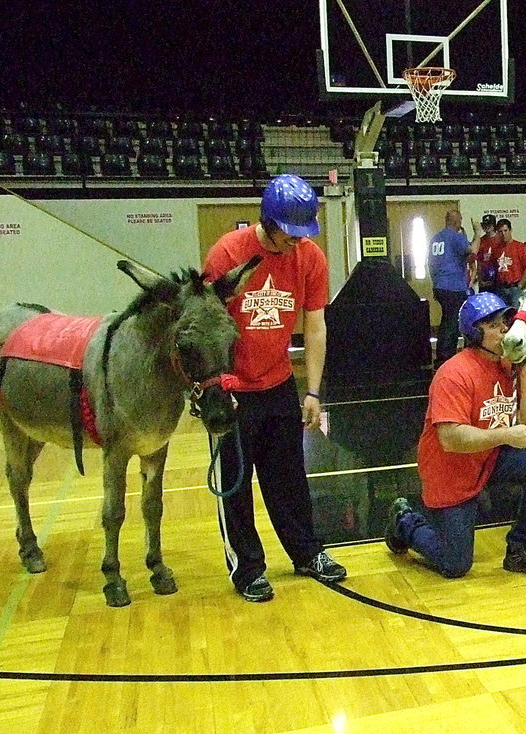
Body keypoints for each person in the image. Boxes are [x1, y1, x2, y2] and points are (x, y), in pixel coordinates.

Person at [203, 173, 347, 602]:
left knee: (288, 477)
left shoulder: (309, 257)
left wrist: (313, 391)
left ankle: (306, 552)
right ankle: (247, 568)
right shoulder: (227, 255)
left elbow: (315, 324)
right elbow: (210, 328)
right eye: (290, 233)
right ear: (269, 220)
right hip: (232, 390)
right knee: (235, 484)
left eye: (304, 234)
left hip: (280, 383)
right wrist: (217, 386)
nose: (296, 242)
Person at [384, 292, 526, 580]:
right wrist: (505, 434)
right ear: (473, 333)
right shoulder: (454, 374)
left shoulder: (507, 368)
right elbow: (450, 439)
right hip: (450, 469)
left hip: (488, 458)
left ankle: (522, 548)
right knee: (455, 565)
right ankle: (405, 522)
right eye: (493, 325)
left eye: (504, 321)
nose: (504, 329)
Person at [429, 209, 481, 367]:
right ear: (457, 222)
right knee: (452, 322)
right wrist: (477, 232)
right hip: (453, 286)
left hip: (440, 285)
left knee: (447, 320)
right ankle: (445, 357)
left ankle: (443, 355)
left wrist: (435, 282)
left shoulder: (436, 238)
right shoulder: (455, 237)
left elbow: (430, 263)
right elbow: (473, 250)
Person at [491, 218, 526, 307]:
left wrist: (521, 284)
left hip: (515, 288)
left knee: (516, 314)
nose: (503, 234)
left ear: (510, 230)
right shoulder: (496, 250)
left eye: (505, 231)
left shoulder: (520, 247)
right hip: (500, 289)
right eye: (500, 231)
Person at [470, 213, 501, 293]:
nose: (486, 227)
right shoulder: (481, 241)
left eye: (489, 225)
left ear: (493, 226)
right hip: (485, 278)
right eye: (484, 225)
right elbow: (479, 262)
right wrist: (480, 279)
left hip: (498, 278)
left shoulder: (500, 239)